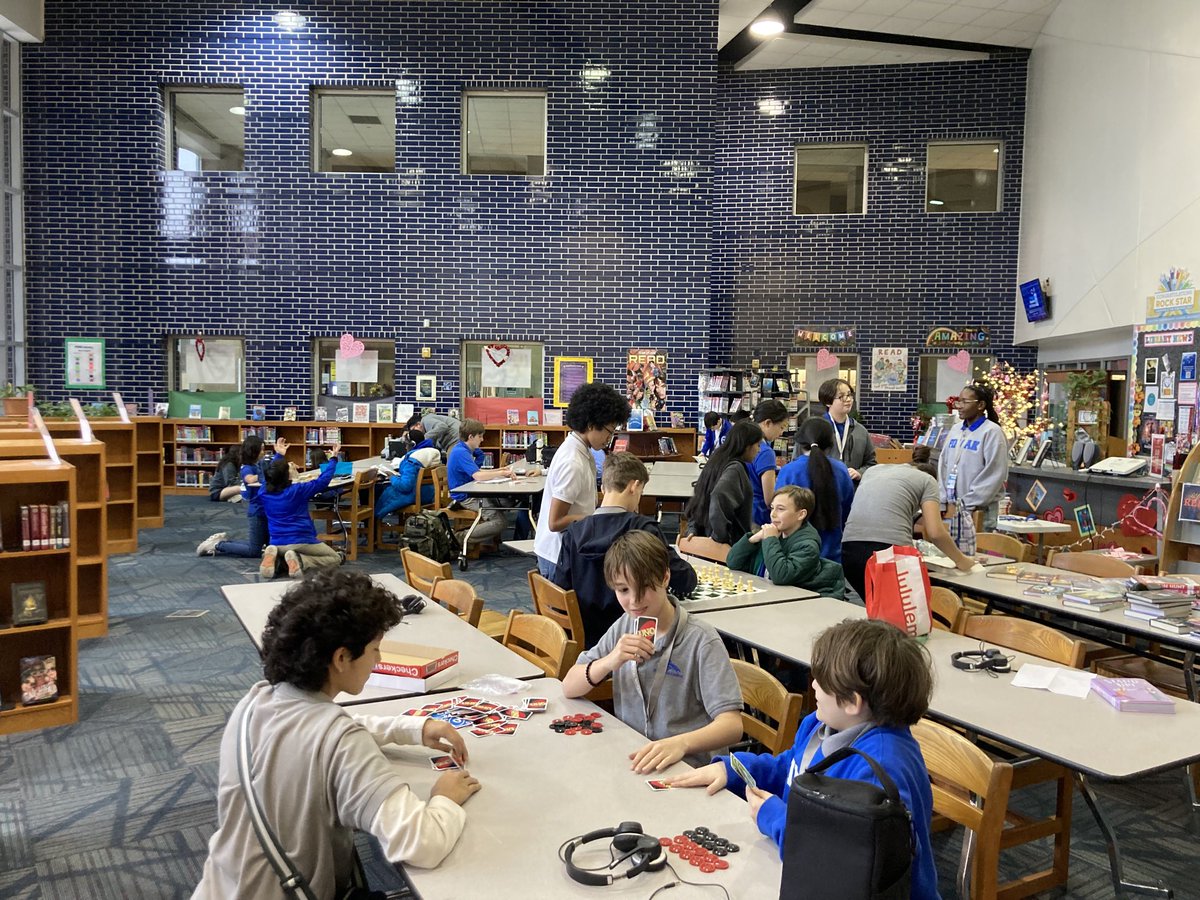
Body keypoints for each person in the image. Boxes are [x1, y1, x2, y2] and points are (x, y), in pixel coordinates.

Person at [191, 570, 480, 898]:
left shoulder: (256, 701)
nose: (379, 660)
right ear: (342, 658)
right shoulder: (341, 741)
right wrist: (444, 798)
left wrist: (413, 728)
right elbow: (421, 843)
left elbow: (324, 732)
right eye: (375, 649)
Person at [665, 618, 940, 900]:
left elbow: (837, 863)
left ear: (852, 702)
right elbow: (792, 769)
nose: (814, 685)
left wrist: (775, 817)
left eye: (822, 681)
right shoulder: (821, 723)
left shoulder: (878, 769)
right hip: (796, 869)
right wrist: (736, 770)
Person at [562, 531, 742, 772]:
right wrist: (610, 661)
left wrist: (680, 743)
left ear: (665, 577)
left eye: (645, 587)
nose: (634, 601)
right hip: (635, 758)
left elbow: (732, 725)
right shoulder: (625, 625)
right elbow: (569, 686)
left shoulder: (701, 640)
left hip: (687, 768)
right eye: (623, 590)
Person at [554, 452, 697, 647]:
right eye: (641, 492)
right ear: (634, 486)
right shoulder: (644, 530)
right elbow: (684, 580)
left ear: (603, 488)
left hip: (587, 639)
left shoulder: (573, 533)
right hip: (638, 635)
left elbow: (560, 590)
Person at [841, 457, 980, 601]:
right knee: (901, 610)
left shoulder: (873, 471)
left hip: (849, 551)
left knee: (877, 607)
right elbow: (936, 533)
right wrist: (961, 560)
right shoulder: (928, 480)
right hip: (888, 553)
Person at [532, 382, 630, 579]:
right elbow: (555, 522)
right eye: (609, 431)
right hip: (557, 555)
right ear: (592, 424)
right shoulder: (573, 462)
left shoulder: (579, 449)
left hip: (563, 549)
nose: (609, 438)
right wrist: (596, 518)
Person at [726, 486, 844, 597]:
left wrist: (770, 540)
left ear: (801, 514)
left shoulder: (807, 545)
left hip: (794, 602)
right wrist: (752, 539)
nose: (773, 514)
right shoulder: (772, 534)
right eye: (772, 508)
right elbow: (732, 562)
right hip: (767, 594)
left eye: (780, 509)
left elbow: (780, 576)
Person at [938, 382, 1009, 554]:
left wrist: (968, 503)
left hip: (978, 510)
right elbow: (943, 465)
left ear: (981, 405)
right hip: (952, 509)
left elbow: (994, 473)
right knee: (951, 558)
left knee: (976, 559)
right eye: (958, 401)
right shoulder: (955, 430)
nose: (959, 406)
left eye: (965, 402)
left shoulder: (992, 432)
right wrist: (943, 500)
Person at [258, 443, 345, 579]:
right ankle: (301, 561)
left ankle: (277, 559)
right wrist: (333, 458)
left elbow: (271, 475)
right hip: (301, 540)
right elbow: (322, 481)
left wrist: (279, 455)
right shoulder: (298, 490)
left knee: (287, 550)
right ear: (287, 476)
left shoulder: (263, 492)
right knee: (335, 558)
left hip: (276, 540)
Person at [777, 417, 855, 563]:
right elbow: (846, 512)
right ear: (831, 443)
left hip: (795, 557)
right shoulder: (841, 470)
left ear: (800, 442)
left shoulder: (789, 471)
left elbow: (779, 514)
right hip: (832, 557)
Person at [197, 435, 287, 559]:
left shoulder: (259, 464)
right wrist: (266, 475)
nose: (263, 452)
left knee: (266, 546)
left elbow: (274, 469)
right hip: (257, 511)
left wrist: (279, 455)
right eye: (261, 449)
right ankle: (218, 545)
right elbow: (249, 479)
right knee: (254, 551)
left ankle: (223, 542)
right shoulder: (247, 467)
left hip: (266, 509)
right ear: (253, 451)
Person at [447, 417, 530, 543]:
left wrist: (500, 470)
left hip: (473, 491)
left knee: (508, 501)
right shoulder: (460, 452)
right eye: (480, 436)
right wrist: (501, 473)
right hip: (465, 496)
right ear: (471, 437)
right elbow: (477, 476)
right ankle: (457, 538)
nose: (482, 439)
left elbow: (478, 472)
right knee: (500, 522)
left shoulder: (464, 449)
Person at [683, 419, 762, 546]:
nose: (759, 450)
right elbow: (719, 495)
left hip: (703, 537)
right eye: (758, 445)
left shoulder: (717, 459)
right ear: (747, 445)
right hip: (727, 548)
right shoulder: (735, 469)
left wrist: (693, 527)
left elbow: (701, 497)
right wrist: (720, 539)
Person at [815, 378, 876, 483]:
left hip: (852, 489)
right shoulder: (815, 429)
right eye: (841, 396)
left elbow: (871, 463)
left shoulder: (860, 431)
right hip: (822, 488)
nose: (848, 399)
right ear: (828, 402)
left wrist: (860, 473)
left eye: (849, 395)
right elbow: (798, 462)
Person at [749, 399, 790, 526]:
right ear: (767, 423)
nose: (781, 432)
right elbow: (769, 499)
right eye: (781, 427)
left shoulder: (745, 442)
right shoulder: (766, 452)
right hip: (758, 516)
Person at [374, 444, 441, 519]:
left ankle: (373, 520)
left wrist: (392, 477)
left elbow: (405, 486)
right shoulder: (429, 461)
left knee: (375, 490)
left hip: (413, 496)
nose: (405, 447)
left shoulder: (410, 464)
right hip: (428, 495)